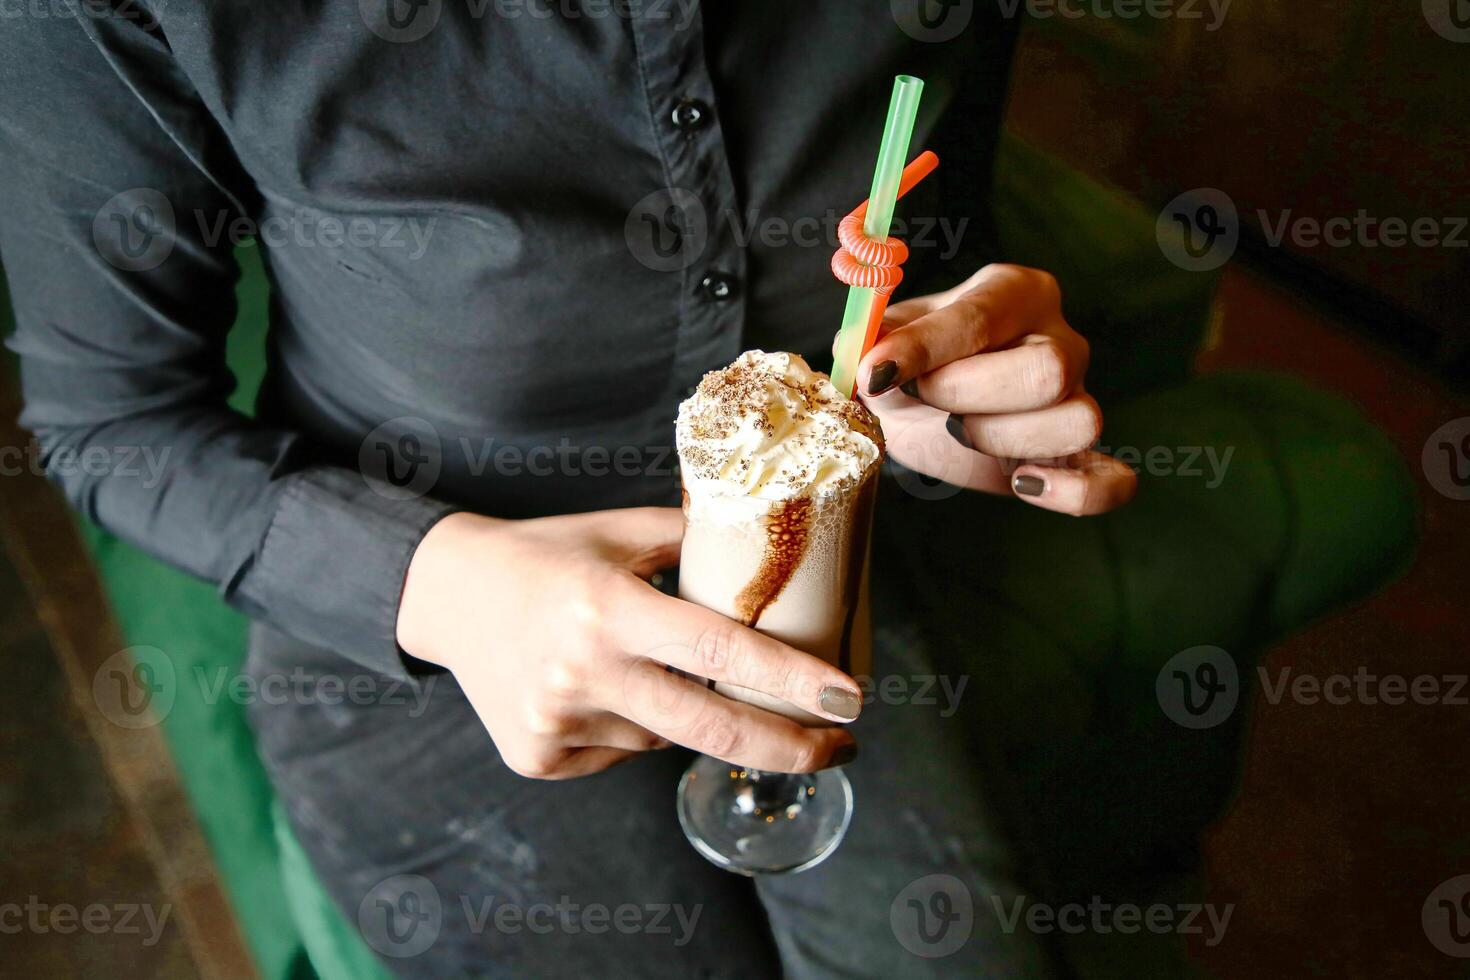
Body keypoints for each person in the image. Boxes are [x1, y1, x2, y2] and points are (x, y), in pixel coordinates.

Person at [2, 4, 1148, 977]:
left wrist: (950, 375)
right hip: (429, 641)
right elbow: (112, 424)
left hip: (824, 566)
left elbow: (929, 237)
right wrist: (443, 586)